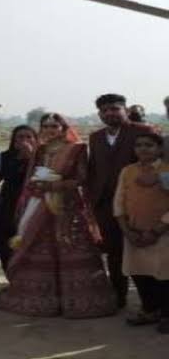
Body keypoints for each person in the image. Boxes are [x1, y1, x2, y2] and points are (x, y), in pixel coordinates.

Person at [0, 113, 116, 318]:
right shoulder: (41, 149)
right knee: (40, 249)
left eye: (54, 125)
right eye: (45, 126)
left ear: (63, 127)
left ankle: (78, 302)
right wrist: (37, 186)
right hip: (41, 205)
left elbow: (81, 179)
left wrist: (53, 185)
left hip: (68, 209)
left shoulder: (77, 149)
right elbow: (31, 177)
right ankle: (43, 302)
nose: (50, 129)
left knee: (70, 249)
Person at [86, 93, 156, 308]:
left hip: (137, 202)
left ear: (125, 110)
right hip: (105, 205)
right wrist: (90, 199)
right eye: (105, 110)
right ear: (99, 114)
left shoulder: (143, 132)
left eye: (115, 109)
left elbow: (156, 164)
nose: (110, 113)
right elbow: (93, 170)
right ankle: (119, 296)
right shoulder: (96, 137)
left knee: (142, 252)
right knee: (114, 253)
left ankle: (152, 304)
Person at [113, 133, 169, 333]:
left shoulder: (166, 171)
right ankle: (150, 310)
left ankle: (166, 314)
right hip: (134, 234)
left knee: (163, 276)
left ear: (160, 149)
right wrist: (127, 231)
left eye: (149, 145)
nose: (143, 149)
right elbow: (119, 201)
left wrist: (157, 230)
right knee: (139, 274)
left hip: (162, 235)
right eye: (138, 145)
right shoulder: (127, 171)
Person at [0, 125, 38, 274]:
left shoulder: (42, 157)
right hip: (9, 202)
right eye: (20, 137)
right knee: (7, 238)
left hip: (33, 203)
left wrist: (31, 157)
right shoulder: (5, 157)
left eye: (29, 137)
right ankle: (11, 276)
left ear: (35, 139)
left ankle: (31, 277)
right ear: (14, 141)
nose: (24, 140)